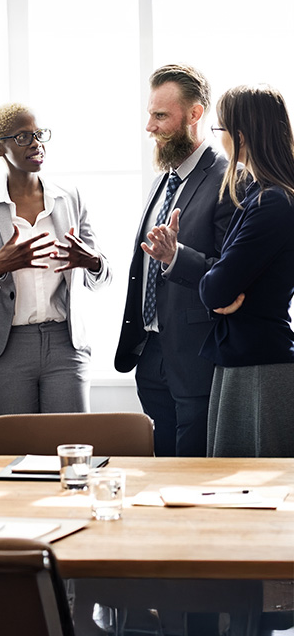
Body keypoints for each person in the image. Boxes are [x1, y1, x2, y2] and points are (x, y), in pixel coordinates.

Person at [0, 104, 111, 419]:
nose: (37, 143)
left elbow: (102, 275)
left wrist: (92, 261)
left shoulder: (70, 197)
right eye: (24, 137)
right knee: (13, 453)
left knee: (71, 451)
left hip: (66, 345)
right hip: (5, 348)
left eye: (40, 135)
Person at [115, 64, 233, 457]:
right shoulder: (163, 180)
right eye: (150, 114)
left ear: (195, 114)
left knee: (193, 475)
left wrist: (176, 257)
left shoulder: (228, 179)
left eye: (161, 115)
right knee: (160, 468)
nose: (150, 126)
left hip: (196, 356)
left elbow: (231, 274)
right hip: (150, 353)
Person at [198, 84, 294, 457]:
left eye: (218, 129)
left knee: (260, 490)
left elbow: (215, 289)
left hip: (260, 366)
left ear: (239, 136)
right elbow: (220, 284)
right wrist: (219, 285)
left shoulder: (273, 202)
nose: (217, 139)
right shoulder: (260, 194)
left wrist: (219, 287)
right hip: (245, 358)